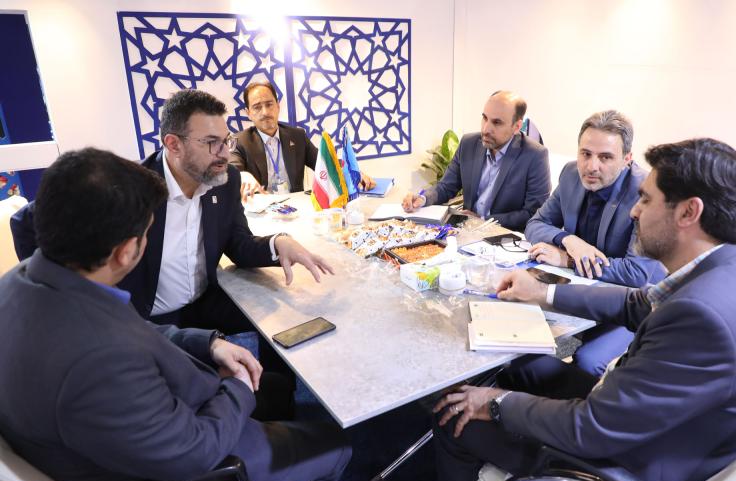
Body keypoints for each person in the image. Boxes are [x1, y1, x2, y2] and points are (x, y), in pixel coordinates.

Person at [432, 138, 736, 481]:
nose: (635, 210)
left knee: (455, 414)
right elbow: (638, 303)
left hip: (617, 479)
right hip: (649, 425)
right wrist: (543, 292)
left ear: (689, 212)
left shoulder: (703, 317)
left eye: (646, 200)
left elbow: (589, 429)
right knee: (527, 367)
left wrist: (497, 403)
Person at [0, 148, 351, 481]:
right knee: (335, 444)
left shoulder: (21, 283)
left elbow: (128, 329)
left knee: (276, 388)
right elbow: (194, 453)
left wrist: (208, 343)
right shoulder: (100, 361)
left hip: (127, 435)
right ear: (126, 252)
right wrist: (237, 388)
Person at [11, 89, 332, 416]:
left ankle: (281, 401)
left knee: (279, 317)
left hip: (203, 297)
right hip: (148, 314)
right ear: (173, 144)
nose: (224, 153)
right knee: (189, 392)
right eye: (211, 143)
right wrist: (55, 292)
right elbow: (24, 221)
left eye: (226, 141)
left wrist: (278, 243)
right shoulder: (132, 188)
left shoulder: (225, 179)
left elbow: (238, 243)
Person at [525, 110, 666, 375]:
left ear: (627, 159)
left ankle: (588, 401)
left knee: (589, 361)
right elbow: (535, 224)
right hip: (585, 287)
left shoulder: (645, 192)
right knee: (517, 328)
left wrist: (567, 259)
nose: (591, 166)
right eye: (586, 154)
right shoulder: (571, 174)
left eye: (605, 157)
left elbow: (635, 273)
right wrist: (569, 240)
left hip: (635, 300)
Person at [401, 90, 550, 231]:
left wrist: (482, 220)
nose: (486, 129)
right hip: (466, 230)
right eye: (485, 118)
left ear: (516, 127)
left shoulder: (535, 155)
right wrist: (422, 198)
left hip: (503, 236)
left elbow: (533, 213)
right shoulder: (469, 143)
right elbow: (446, 186)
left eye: (497, 122)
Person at [231, 80, 375, 198]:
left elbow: (324, 162)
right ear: (248, 113)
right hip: (260, 212)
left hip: (295, 209)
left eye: (269, 104)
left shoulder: (297, 136)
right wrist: (243, 176)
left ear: (278, 106)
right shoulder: (239, 141)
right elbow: (231, 169)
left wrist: (353, 173)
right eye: (257, 107)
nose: (265, 112)